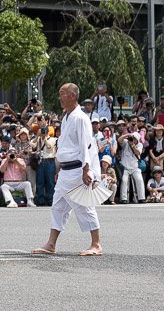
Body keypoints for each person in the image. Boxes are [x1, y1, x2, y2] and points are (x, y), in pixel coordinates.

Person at [35, 83, 102, 257]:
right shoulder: (66, 117)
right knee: (58, 206)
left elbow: (86, 145)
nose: (60, 97)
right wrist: (59, 168)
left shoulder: (80, 117)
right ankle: (51, 243)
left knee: (84, 206)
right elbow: (64, 146)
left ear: (73, 95)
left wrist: (86, 169)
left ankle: (96, 244)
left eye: (62, 93)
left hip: (77, 168)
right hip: (66, 169)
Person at [116, 123, 144, 204]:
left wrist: (133, 146)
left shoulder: (140, 145)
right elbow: (119, 140)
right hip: (125, 167)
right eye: (132, 138)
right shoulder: (126, 143)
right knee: (124, 181)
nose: (133, 140)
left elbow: (138, 152)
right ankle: (124, 198)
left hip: (135, 167)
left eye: (135, 139)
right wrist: (127, 134)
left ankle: (141, 197)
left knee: (139, 179)